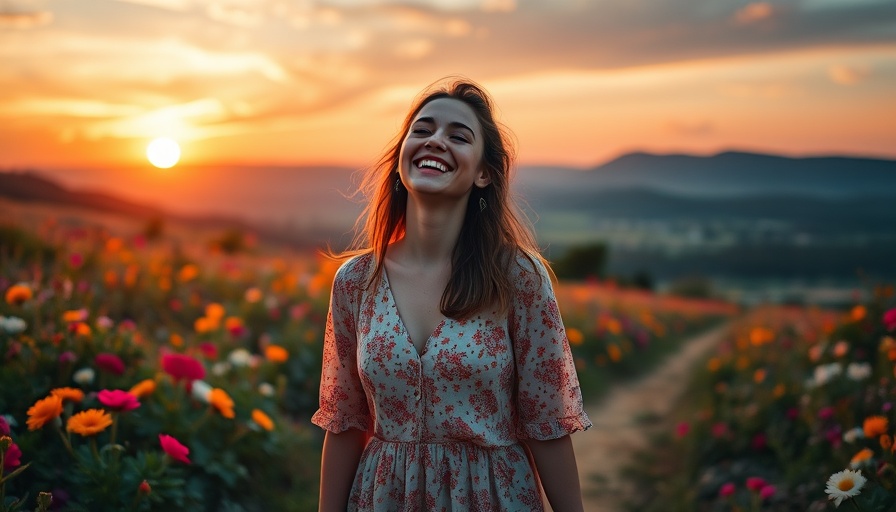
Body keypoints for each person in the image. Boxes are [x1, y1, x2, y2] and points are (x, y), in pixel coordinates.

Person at [312, 76, 592, 512]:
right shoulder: (355, 281)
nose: (435, 141)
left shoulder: (518, 278)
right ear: (402, 156)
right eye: (422, 130)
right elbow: (346, 423)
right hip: (384, 499)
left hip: (493, 498)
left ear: (484, 173)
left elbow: (547, 424)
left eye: (458, 136)